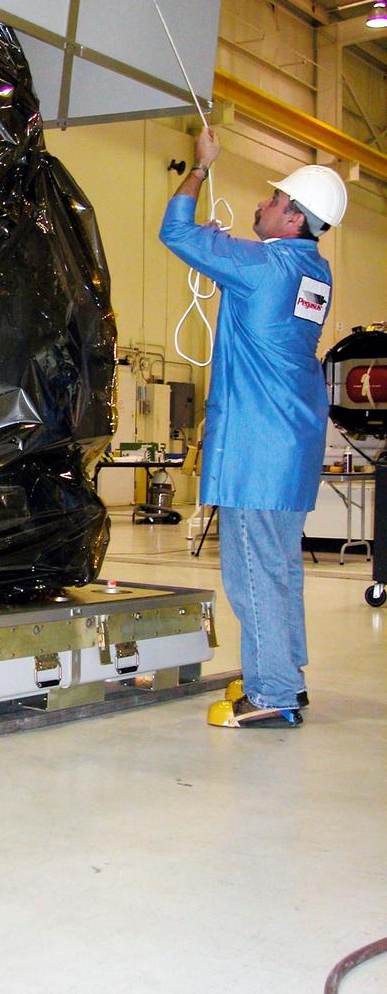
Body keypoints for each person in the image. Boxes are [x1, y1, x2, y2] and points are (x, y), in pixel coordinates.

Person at [160, 127, 347, 729]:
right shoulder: (312, 272)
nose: (262, 204)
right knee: (281, 564)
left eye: (274, 199)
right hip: (292, 436)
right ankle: (285, 672)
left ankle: (271, 693)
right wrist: (229, 260)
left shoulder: (263, 265)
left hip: (257, 442)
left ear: (294, 218)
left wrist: (200, 167)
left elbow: (176, 233)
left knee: (252, 568)